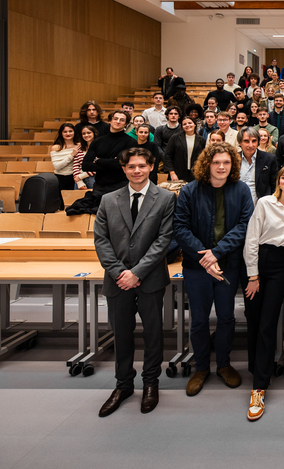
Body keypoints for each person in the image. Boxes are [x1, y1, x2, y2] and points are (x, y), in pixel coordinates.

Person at [94, 147, 175, 417]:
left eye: (142, 165)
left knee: (153, 335)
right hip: (117, 280)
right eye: (131, 166)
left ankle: (151, 383)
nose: (137, 170)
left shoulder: (165, 198)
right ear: (124, 169)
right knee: (122, 334)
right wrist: (120, 272)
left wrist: (137, 272)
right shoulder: (107, 200)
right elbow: (101, 241)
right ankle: (123, 384)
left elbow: (163, 240)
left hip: (150, 278)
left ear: (151, 167)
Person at [173, 141, 254, 396]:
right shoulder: (189, 190)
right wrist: (205, 259)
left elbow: (245, 226)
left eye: (226, 162)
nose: (221, 166)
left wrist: (216, 254)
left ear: (233, 165)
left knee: (226, 317)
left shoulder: (241, 190)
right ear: (207, 164)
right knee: (198, 320)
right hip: (197, 267)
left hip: (227, 265)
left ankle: (223, 364)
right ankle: (200, 368)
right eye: (216, 162)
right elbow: (180, 228)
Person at [243, 165, 284, 420]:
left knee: (268, 322)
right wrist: (253, 276)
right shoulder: (266, 202)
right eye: (283, 177)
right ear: (278, 181)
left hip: (280, 264)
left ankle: (259, 386)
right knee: (253, 320)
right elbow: (251, 239)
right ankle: (256, 366)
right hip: (259, 261)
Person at [82, 110, 138, 194]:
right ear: (110, 121)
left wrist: (98, 161)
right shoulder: (98, 141)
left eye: (122, 120)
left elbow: (119, 164)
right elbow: (85, 165)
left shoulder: (131, 142)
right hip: (99, 186)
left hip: (121, 185)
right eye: (115, 119)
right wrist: (111, 163)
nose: (118, 121)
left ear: (126, 124)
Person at [238, 126, 278, 204]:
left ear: (258, 142)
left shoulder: (269, 159)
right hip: (238, 204)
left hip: (261, 205)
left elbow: (275, 185)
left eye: (254, 141)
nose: (251, 145)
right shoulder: (233, 159)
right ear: (240, 142)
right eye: (246, 141)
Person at [163, 117, 206, 183]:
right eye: (184, 124)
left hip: (195, 175)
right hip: (177, 174)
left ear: (195, 125)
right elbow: (168, 156)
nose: (187, 125)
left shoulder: (202, 140)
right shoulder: (175, 138)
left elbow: (203, 158)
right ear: (182, 127)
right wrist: (172, 173)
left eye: (190, 123)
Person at [50, 123, 79, 192]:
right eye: (65, 132)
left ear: (74, 132)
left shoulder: (78, 146)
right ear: (61, 133)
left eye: (70, 131)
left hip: (75, 178)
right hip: (60, 178)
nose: (68, 133)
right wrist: (72, 155)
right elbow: (57, 167)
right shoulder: (56, 147)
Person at [73, 124, 98, 189]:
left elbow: (98, 166)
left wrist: (81, 176)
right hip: (79, 180)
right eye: (84, 133)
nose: (86, 135)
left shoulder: (100, 147)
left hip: (94, 178)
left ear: (94, 133)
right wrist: (79, 182)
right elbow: (76, 165)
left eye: (89, 133)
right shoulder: (80, 148)